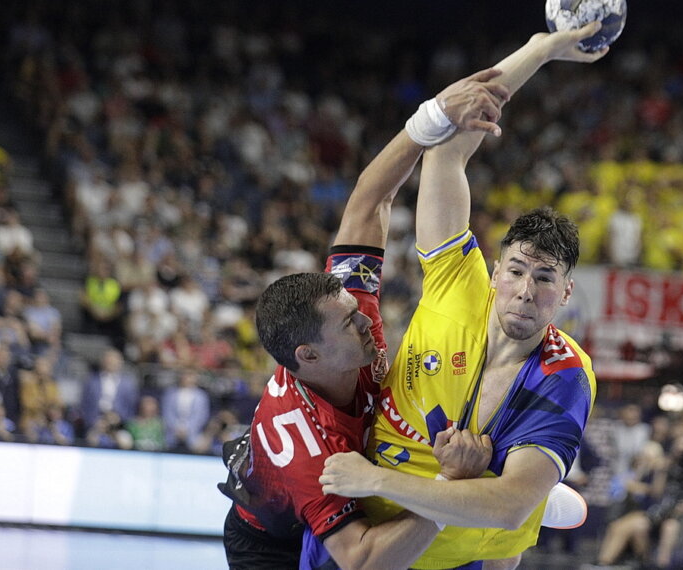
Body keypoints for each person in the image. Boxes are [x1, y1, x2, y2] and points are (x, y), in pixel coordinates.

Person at [319, 26, 606, 570]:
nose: (526, 291)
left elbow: (504, 507)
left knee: (515, 504)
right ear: (496, 272)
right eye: (517, 271)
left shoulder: (566, 372)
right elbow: (448, 152)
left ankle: (535, 481)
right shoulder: (459, 278)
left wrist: (372, 476)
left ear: (566, 292)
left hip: (462, 555)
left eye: (545, 279)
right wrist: (540, 50)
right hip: (366, 527)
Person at [218, 67, 511, 570]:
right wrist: (451, 488)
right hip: (274, 547)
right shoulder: (309, 444)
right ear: (308, 356)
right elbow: (360, 560)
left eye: (356, 311)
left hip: (359, 493)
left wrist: (432, 117)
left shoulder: (342, 309)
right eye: (349, 326)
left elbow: (370, 200)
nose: (368, 324)